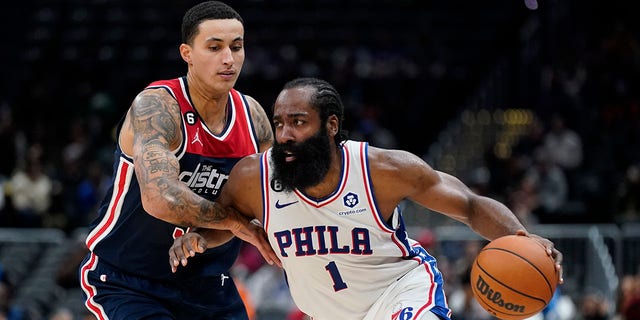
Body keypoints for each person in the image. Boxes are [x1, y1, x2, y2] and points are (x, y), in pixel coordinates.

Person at [169, 77, 564, 320]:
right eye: (279, 123)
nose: (284, 134)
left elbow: (470, 205)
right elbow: (227, 220)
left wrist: (521, 236)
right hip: (324, 313)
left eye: (298, 122)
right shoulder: (253, 177)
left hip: (400, 293)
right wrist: (200, 237)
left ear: (331, 126)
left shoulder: (383, 169)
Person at [79, 2, 279, 319]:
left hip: (209, 284)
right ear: (186, 53)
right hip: (131, 280)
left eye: (236, 47)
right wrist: (237, 223)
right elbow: (160, 198)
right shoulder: (157, 107)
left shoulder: (254, 119)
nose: (228, 58)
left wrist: (214, 232)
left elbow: (262, 206)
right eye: (214, 47)